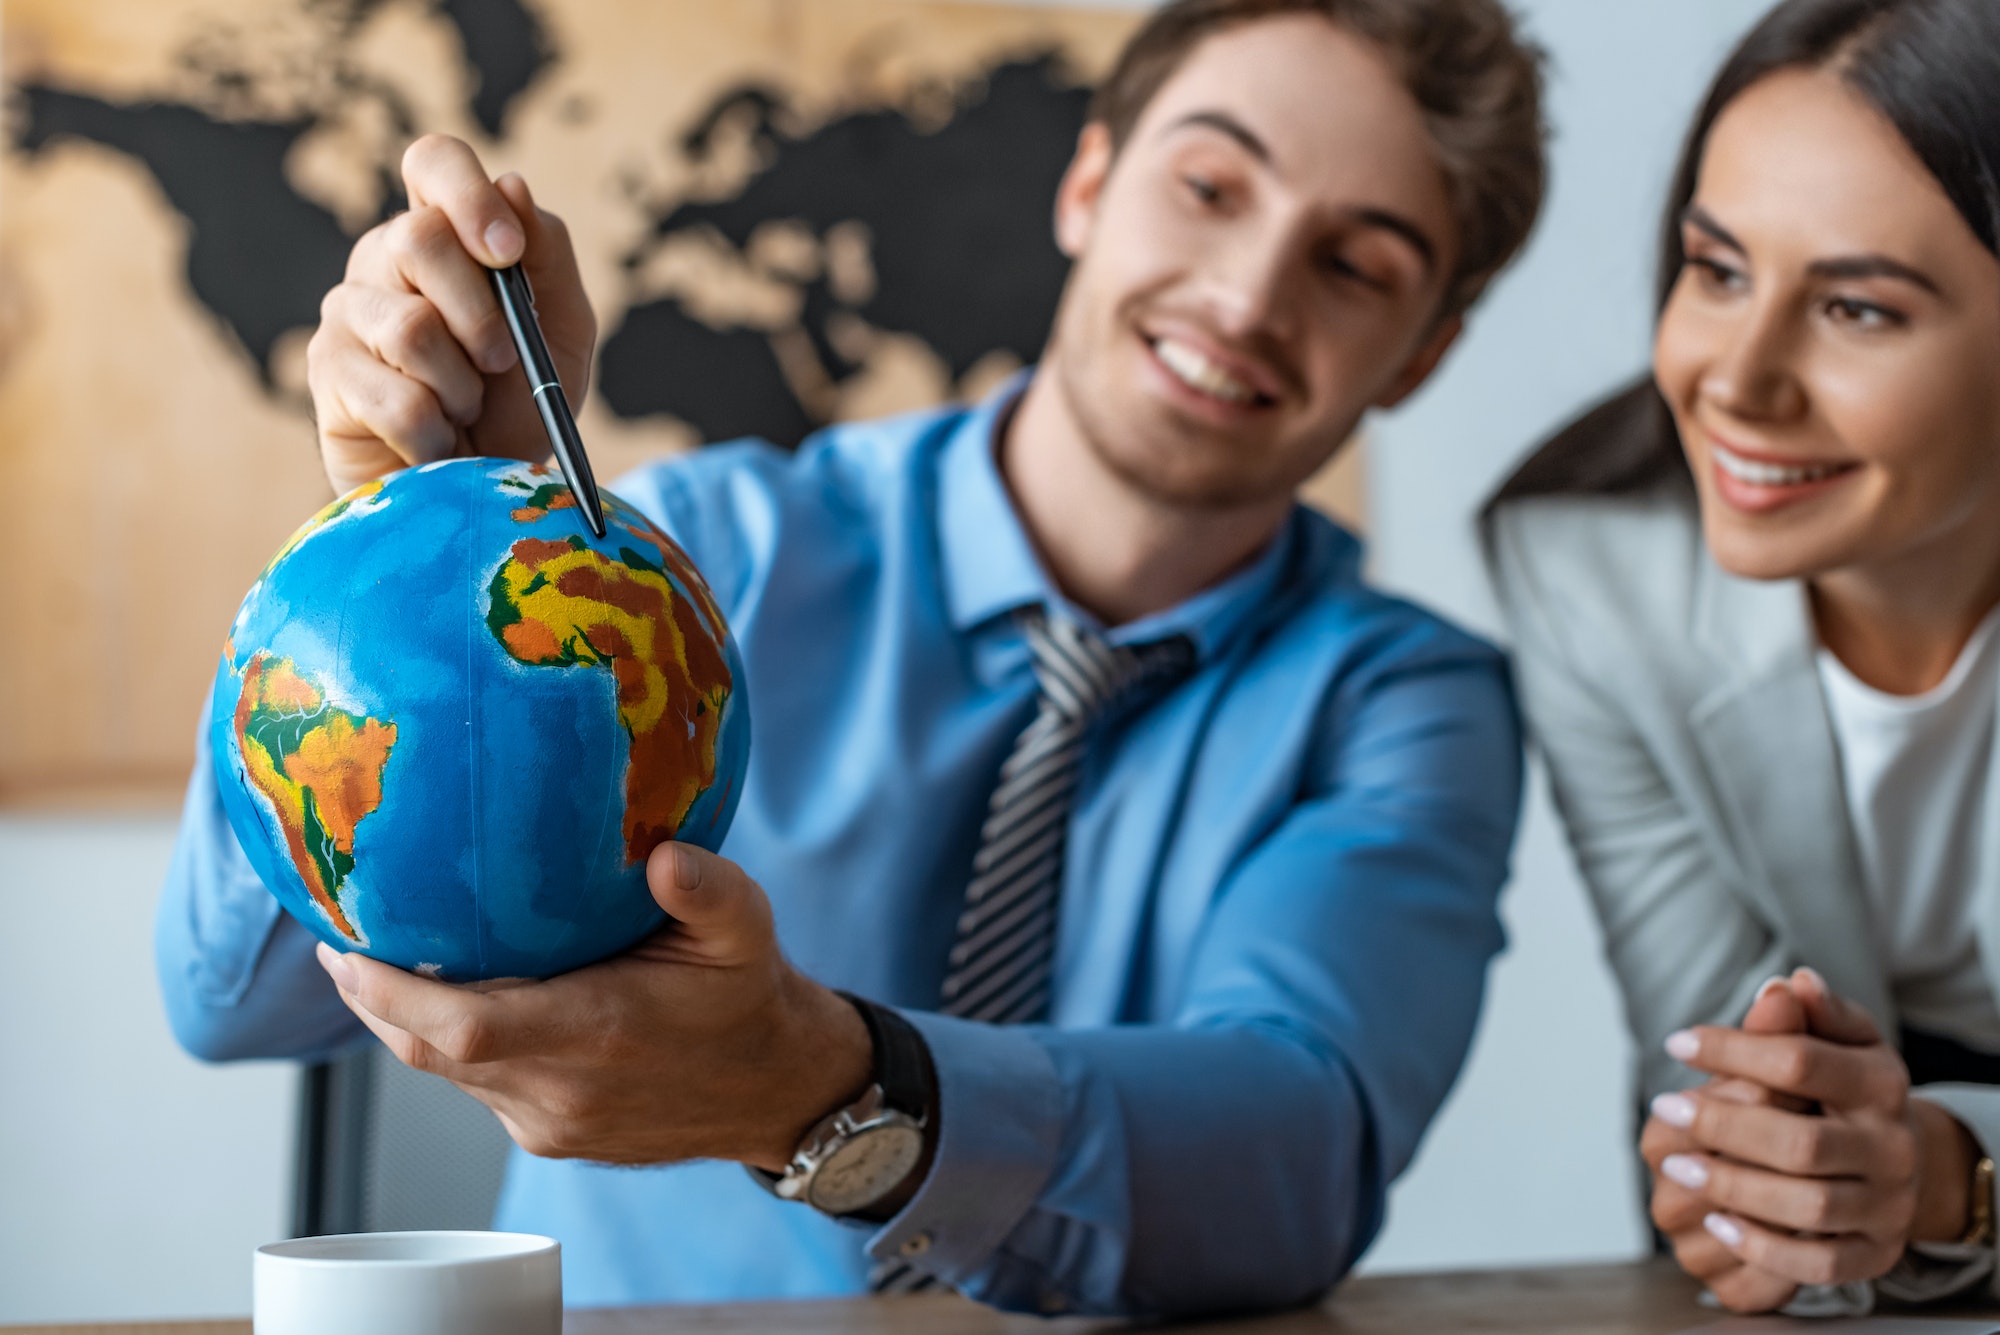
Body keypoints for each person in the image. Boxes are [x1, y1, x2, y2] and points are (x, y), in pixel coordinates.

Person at [160, 0, 1545, 1316]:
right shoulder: (692, 569)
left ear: (1421, 355)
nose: (1248, 297)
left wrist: (819, 1089)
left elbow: (1295, 1158)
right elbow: (235, 1006)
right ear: (1088, 186)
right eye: (1209, 187)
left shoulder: (1407, 707)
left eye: (1355, 265)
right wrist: (402, 588)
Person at [1485, 0, 2000, 1315]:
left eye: (1857, 309)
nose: (1737, 379)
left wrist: (1952, 1178)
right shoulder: (1588, 572)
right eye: (1717, 271)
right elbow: (1725, 1065)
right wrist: (1766, 1177)